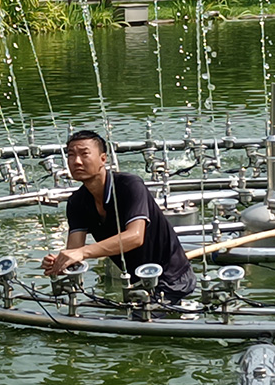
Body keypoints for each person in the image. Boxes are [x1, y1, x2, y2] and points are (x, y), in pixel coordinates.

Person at [42, 130, 196, 304]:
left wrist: (82, 252)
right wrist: (60, 263)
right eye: (71, 155)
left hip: (173, 279)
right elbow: (74, 251)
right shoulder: (77, 202)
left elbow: (135, 237)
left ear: (103, 159)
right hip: (136, 283)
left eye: (84, 154)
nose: (76, 161)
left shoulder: (130, 185)